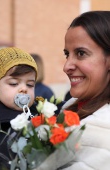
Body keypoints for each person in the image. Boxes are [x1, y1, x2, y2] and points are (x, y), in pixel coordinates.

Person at [60, 11, 110, 170]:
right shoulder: (74, 108)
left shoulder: (102, 137)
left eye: (81, 53)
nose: (66, 66)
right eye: (67, 54)